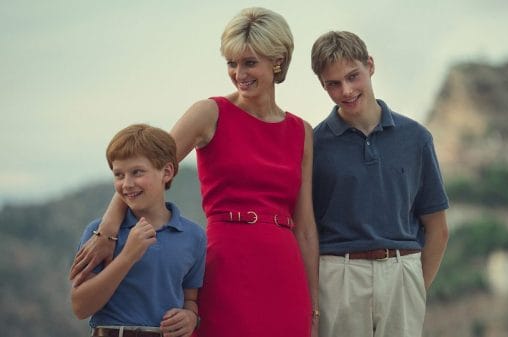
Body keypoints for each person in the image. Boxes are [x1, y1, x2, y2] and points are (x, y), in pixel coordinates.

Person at [69, 7, 319, 337]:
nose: (238, 73)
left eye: (249, 62)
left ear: (277, 61)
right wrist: (108, 231)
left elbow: (305, 227)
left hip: (284, 272)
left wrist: (313, 305)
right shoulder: (210, 113)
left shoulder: (302, 131)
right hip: (226, 264)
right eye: (232, 63)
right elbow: (145, 170)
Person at [310, 31, 450, 337]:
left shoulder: (416, 138)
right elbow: (307, 229)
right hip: (338, 276)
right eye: (333, 84)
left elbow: (437, 227)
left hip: (402, 271)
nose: (346, 90)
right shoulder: (313, 144)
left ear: (370, 65)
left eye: (353, 76)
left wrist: (413, 286)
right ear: (323, 85)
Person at [70, 123, 207, 337]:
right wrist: (127, 256)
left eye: (137, 172)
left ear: (167, 172)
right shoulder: (100, 234)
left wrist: (190, 317)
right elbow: (81, 307)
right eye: (119, 175)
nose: (127, 184)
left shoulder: (193, 236)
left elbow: (190, 298)